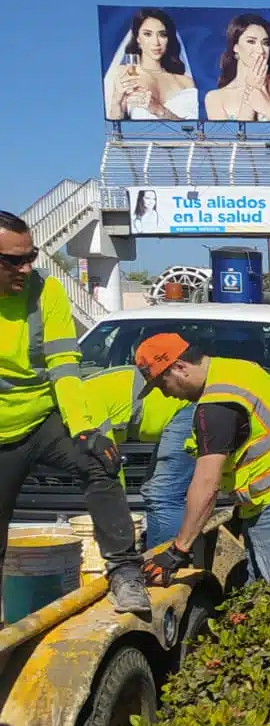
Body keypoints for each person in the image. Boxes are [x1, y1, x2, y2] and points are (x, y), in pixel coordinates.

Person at [0, 214, 149, 611]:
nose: (26, 268)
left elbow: (64, 365)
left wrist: (84, 429)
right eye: (14, 261)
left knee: (99, 461)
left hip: (41, 420)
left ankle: (125, 573)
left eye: (30, 256)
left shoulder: (45, 292)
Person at [134, 334, 270, 585]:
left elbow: (207, 483)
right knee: (265, 592)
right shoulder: (235, 368)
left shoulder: (218, 405)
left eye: (163, 385)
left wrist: (178, 549)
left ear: (180, 368)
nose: (166, 395)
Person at [81, 365, 196, 549]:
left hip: (185, 408)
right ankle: (155, 557)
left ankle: (168, 565)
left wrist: (114, 520)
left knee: (163, 495)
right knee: (155, 493)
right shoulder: (77, 400)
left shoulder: (83, 407)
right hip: (175, 414)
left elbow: (109, 467)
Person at [204, 14, 270, 122]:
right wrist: (251, 91)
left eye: (265, 43)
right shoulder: (215, 98)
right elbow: (231, 139)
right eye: (251, 41)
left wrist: (268, 109)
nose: (260, 50)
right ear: (235, 47)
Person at [104, 8, 197, 121]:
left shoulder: (185, 82)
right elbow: (112, 128)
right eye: (148, 34)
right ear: (137, 38)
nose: (156, 42)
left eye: (162, 35)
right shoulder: (124, 75)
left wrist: (159, 110)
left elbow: (194, 131)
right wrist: (117, 100)